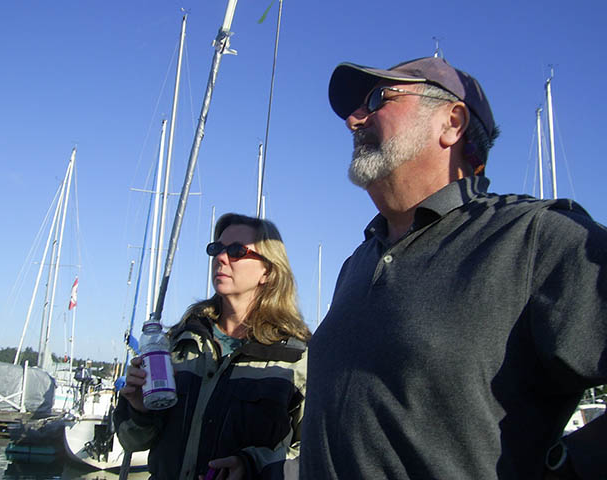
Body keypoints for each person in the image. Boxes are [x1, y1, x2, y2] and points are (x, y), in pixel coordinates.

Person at [299, 56, 607, 479]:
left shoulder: (535, 237)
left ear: (452, 123)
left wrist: (565, 468)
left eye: (377, 99)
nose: (354, 120)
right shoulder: (357, 263)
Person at [115, 213, 310, 480]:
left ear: (267, 271)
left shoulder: (295, 358)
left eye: (237, 251)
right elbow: (133, 442)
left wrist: (253, 466)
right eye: (216, 249)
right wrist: (140, 410)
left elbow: (316, 453)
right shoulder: (179, 343)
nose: (221, 257)